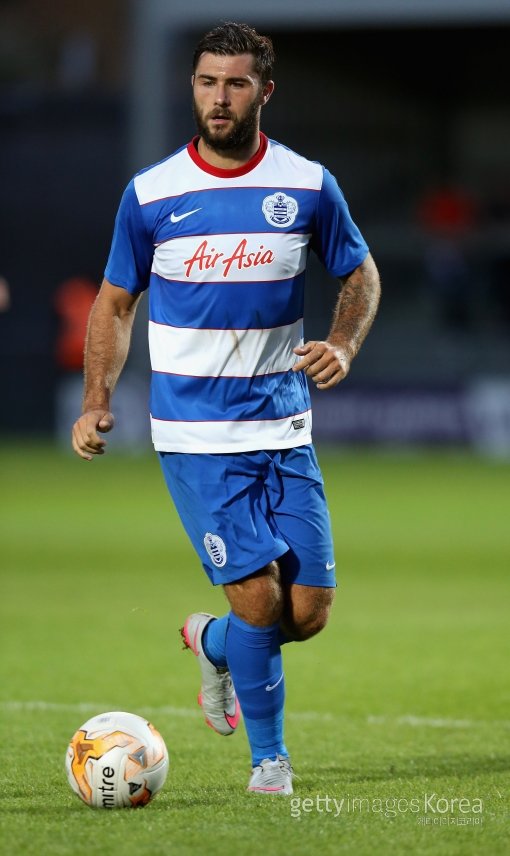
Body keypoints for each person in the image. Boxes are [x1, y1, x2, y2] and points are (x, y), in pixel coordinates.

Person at [72, 21, 381, 796]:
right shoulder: (152, 194)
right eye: (208, 82)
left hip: (285, 428)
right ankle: (269, 762)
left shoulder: (306, 185)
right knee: (259, 598)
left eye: (236, 83)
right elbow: (115, 303)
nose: (219, 97)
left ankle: (213, 643)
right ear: (193, 87)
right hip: (195, 437)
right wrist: (96, 399)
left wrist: (343, 344)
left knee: (307, 612)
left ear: (263, 91)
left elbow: (361, 273)